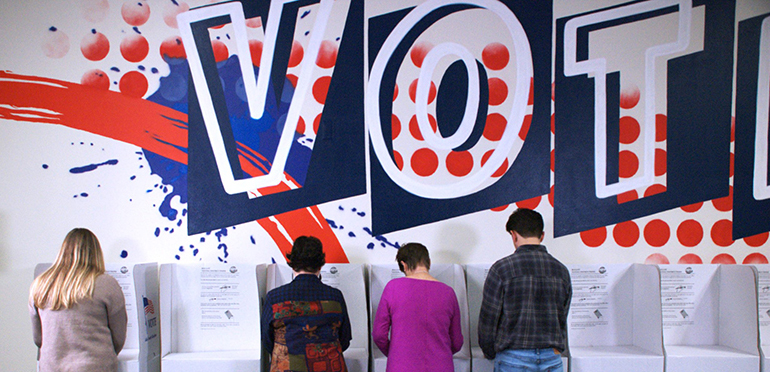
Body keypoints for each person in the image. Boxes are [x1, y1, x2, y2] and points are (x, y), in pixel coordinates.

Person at [478, 208, 572, 372]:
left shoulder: (502, 269)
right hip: (551, 359)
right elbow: (562, 317)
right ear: (542, 235)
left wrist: (489, 351)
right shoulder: (561, 271)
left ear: (513, 235)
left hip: (512, 358)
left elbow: (488, 320)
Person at [29, 228, 127, 372]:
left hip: (51, 367)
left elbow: (38, 338)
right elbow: (118, 338)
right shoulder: (106, 284)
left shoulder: (40, 285)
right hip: (95, 366)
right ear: (96, 254)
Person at [261, 235, 352, 372]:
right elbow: (344, 339)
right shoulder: (335, 297)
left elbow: (268, 341)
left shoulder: (275, 298)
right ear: (321, 264)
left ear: (292, 263)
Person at [372, 242, 464, 372]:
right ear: (429, 263)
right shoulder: (448, 292)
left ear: (404, 265)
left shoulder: (393, 288)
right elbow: (457, 342)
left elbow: (378, 335)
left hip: (401, 366)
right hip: (441, 366)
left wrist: (395, 353)